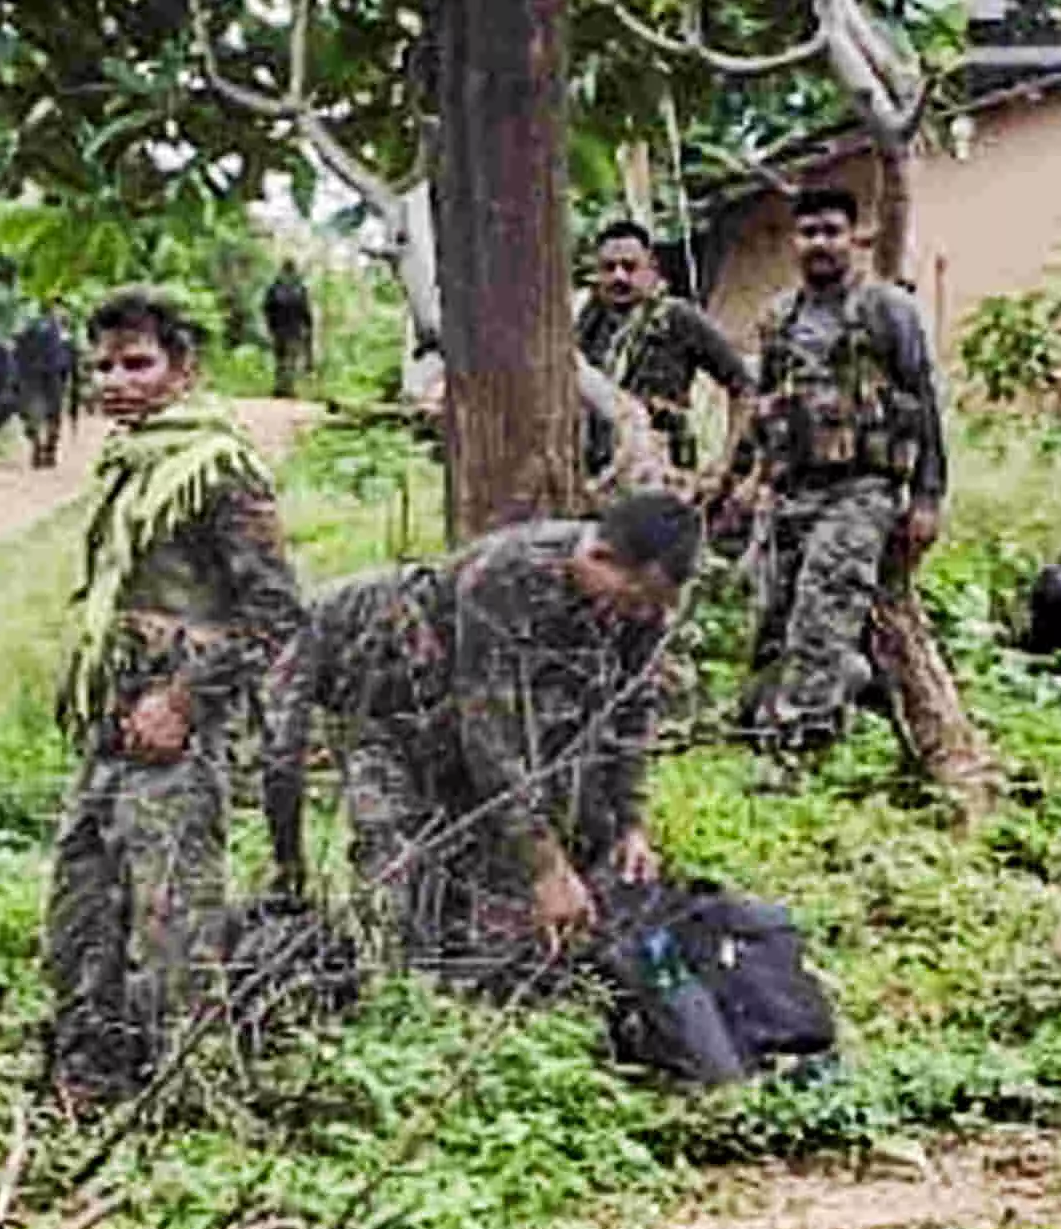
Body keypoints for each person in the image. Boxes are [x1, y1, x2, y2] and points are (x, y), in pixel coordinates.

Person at [46, 289, 305, 1103]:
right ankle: (90, 1073)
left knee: (172, 913)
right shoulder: (135, 465)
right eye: (104, 366)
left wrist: (185, 703)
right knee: (84, 896)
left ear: (183, 368)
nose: (115, 381)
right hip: (114, 714)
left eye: (137, 363)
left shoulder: (219, 470)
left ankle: (186, 1093)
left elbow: (276, 613)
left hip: (177, 721)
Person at [275, 496, 698, 985]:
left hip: (457, 712)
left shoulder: (641, 607)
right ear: (599, 557)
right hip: (382, 697)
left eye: (656, 606)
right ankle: (392, 985)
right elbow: (490, 737)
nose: (643, 615)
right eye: (636, 597)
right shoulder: (504, 574)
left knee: (503, 921)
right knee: (401, 872)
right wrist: (546, 869)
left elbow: (628, 710)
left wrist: (630, 824)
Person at [720, 182, 948, 781]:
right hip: (793, 490)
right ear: (795, 242)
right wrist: (740, 481)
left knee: (824, 613)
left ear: (855, 238)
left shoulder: (885, 310)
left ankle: (800, 749)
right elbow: (765, 406)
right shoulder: (779, 317)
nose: (819, 244)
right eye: (808, 233)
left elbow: (923, 401)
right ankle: (756, 730)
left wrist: (927, 497)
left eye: (831, 232)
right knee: (773, 615)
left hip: (861, 490)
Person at [575, 218, 750, 479]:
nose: (619, 276)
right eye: (609, 268)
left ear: (651, 268)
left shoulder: (678, 318)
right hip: (599, 473)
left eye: (630, 267)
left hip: (662, 471)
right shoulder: (588, 324)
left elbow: (744, 386)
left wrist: (727, 461)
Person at [11, 311, 76, 469]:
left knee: (28, 412)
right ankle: (49, 449)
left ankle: (37, 444)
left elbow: (13, 355)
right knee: (54, 414)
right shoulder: (61, 332)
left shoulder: (23, 325)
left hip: (29, 375)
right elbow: (69, 360)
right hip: (53, 373)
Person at [260, 262, 317, 400]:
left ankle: (285, 388)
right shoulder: (278, 288)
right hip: (285, 329)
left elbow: (305, 310)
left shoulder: (287, 288)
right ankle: (282, 388)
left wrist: (308, 326)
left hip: (289, 329)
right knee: (283, 359)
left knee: (287, 359)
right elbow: (267, 309)